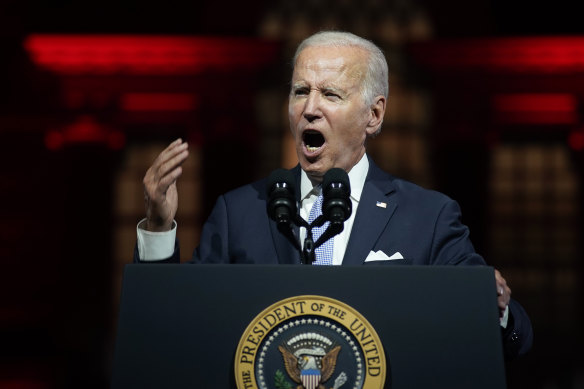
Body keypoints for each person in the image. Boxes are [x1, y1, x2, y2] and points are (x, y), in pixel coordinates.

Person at [134, 31, 533, 359]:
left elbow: (512, 338)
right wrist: (158, 227)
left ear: (373, 116)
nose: (309, 108)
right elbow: (172, 329)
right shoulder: (239, 212)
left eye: (330, 94)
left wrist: (493, 307)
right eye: (299, 91)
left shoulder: (427, 217)